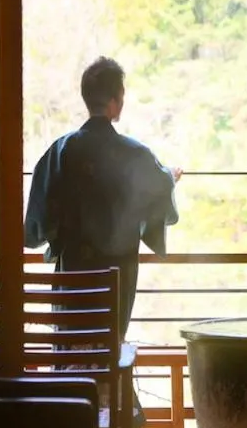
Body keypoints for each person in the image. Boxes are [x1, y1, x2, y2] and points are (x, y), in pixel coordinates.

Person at [24, 56, 182, 339]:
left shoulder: (60, 151)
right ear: (115, 101)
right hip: (116, 275)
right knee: (108, 344)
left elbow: (36, 224)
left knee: (70, 340)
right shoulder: (134, 154)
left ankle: (69, 383)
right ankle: (110, 383)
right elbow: (157, 187)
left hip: (72, 273)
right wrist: (170, 176)